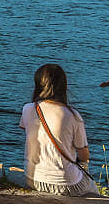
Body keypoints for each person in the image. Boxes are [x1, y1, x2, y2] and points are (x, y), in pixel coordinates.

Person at [20, 63, 97, 196]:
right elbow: (84, 154)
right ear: (63, 87)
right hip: (65, 185)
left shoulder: (27, 108)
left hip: (32, 179)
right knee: (91, 183)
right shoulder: (73, 115)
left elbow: (26, 129)